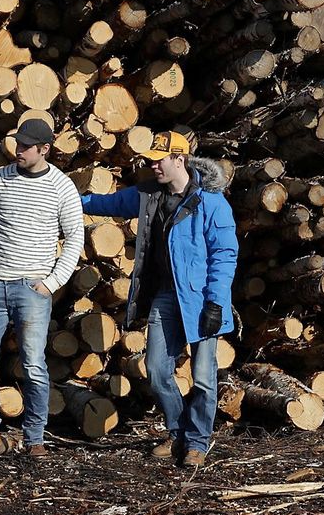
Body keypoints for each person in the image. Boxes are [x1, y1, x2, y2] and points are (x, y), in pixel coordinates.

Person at [80, 132, 237, 467]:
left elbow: (225, 255)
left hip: (200, 299)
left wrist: (215, 303)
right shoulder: (150, 194)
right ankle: (178, 432)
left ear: (179, 159)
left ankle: (197, 443)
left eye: (159, 159)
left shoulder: (211, 202)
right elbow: (110, 204)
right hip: (166, 296)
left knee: (204, 377)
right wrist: (74, 200)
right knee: (156, 369)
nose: (153, 166)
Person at [0, 118, 85, 465]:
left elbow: (75, 237)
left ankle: (35, 438)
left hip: (32, 287)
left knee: (34, 365)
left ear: (45, 149)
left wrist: (51, 283)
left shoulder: (61, 186)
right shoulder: (0, 178)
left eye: (26, 146)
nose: (19, 150)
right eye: (18, 144)